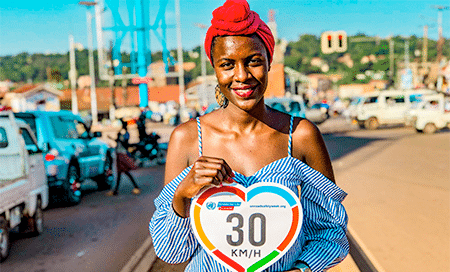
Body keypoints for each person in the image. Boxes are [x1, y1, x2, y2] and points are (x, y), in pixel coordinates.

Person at [149, 1, 348, 271]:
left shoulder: (300, 135)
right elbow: (172, 251)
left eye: (253, 61)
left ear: (269, 63)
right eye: (227, 64)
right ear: (215, 69)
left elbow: (329, 232)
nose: (241, 76)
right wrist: (182, 196)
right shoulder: (186, 138)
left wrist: (301, 269)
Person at [107, 118, 141, 196]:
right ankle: (116, 190)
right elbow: (117, 141)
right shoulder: (122, 133)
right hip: (119, 153)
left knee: (124, 172)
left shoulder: (126, 134)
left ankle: (134, 186)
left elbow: (125, 144)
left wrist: (119, 139)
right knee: (121, 172)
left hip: (122, 153)